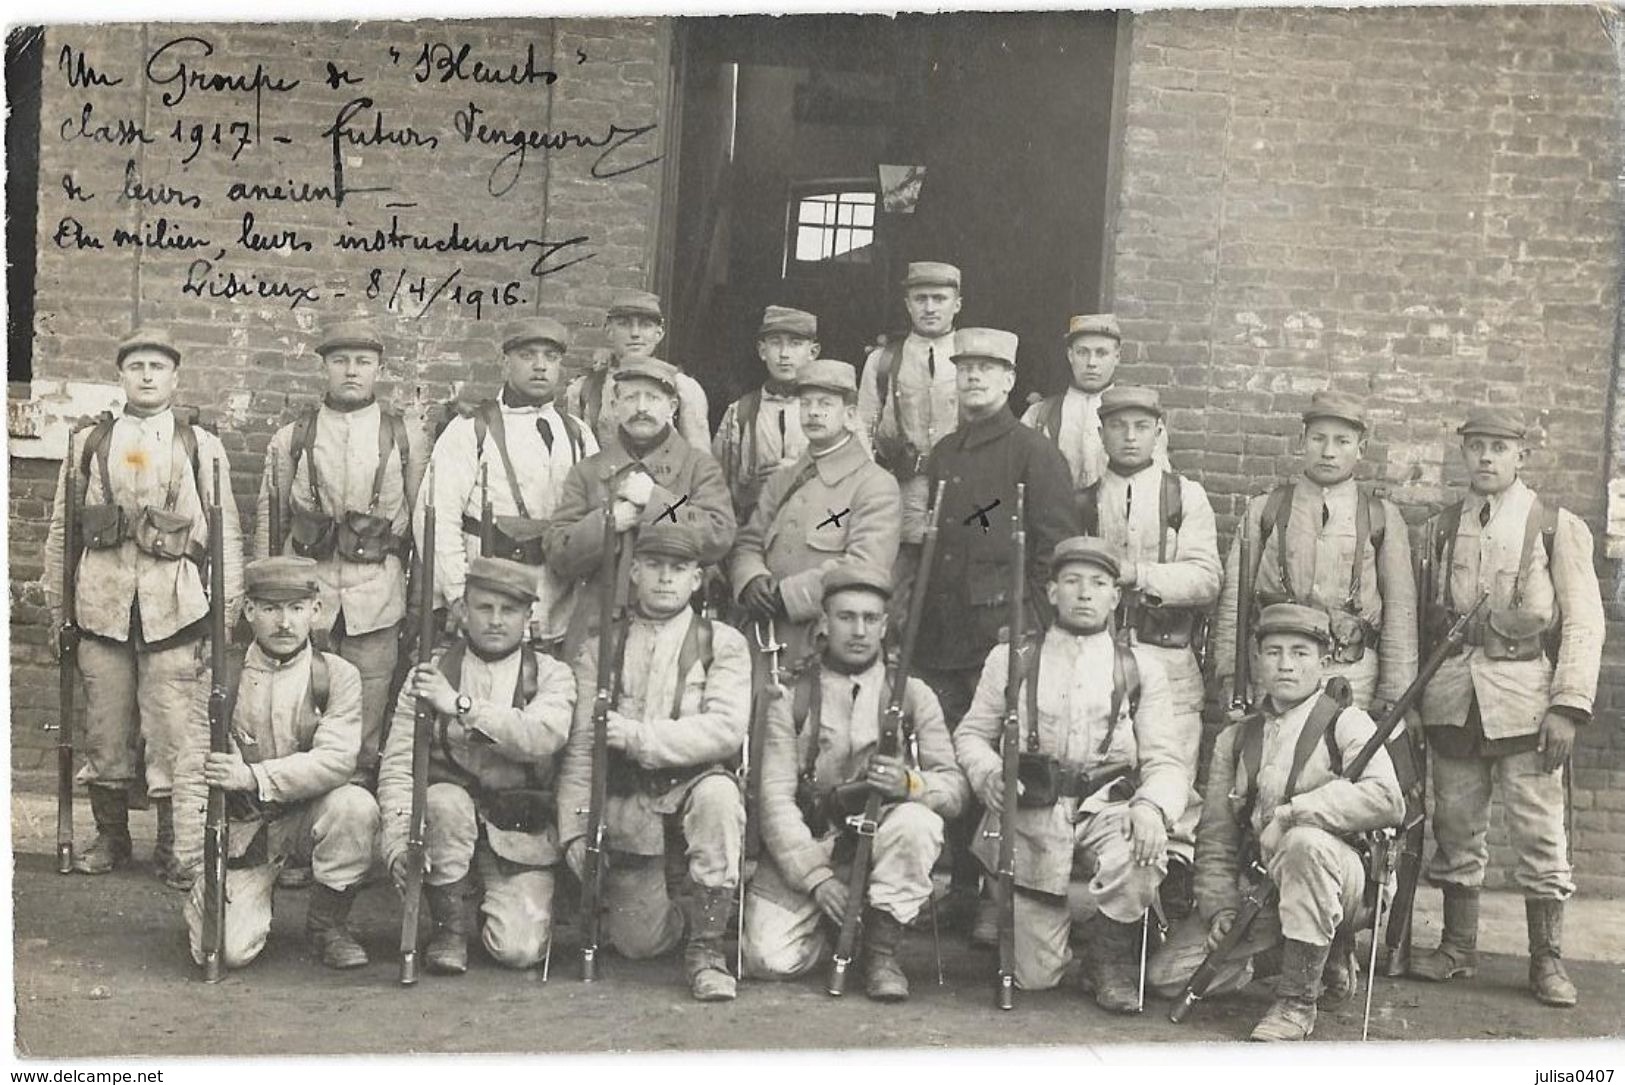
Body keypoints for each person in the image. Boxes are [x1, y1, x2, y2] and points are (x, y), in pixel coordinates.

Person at [1408, 409, 1604, 1008]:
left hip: (1526, 700)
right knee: (1455, 826)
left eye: (1499, 448)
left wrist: (1568, 706)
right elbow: (1419, 624)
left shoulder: (1553, 526)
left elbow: (1584, 622)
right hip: (1454, 699)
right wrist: (1415, 701)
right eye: (1475, 448)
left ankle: (1546, 961)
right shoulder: (1440, 529)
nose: (1486, 458)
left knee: (1539, 834)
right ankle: (1457, 948)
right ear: (1462, 455)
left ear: (1522, 456)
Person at [42, 326, 245, 888]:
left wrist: (223, 619)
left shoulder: (201, 447)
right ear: (121, 376)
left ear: (175, 378)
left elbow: (225, 538)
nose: (148, 375)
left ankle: (172, 844)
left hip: (174, 611)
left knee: (172, 732)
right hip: (101, 608)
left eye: (158, 366)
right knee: (105, 729)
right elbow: (64, 531)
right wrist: (59, 608)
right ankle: (110, 837)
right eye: (137, 367)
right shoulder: (89, 444)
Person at [1146, 603, 1405, 1041]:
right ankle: (1314, 955)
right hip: (1267, 888)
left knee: (1305, 842)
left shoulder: (1346, 723)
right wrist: (1221, 909)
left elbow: (1387, 799)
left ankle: (1297, 1001)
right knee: (1170, 977)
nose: (1286, 664)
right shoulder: (1237, 738)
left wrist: (1292, 813)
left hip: (1346, 882)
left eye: (1300, 653)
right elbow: (1215, 839)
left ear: (1322, 662)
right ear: (1258, 660)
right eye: (1274, 652)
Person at [953, 537, 1187, 1008]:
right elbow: (971, 734)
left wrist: (1151, 807)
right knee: (1036, 978)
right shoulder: (1012, 659)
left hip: (1109, 808)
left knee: (1141, 852)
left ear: (1115, 597)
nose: (1085, 593)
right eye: (1073, 582)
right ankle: (1072, 927)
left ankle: (1110, 959)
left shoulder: (1140, 667)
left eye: (1099, 583)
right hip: (1035, 815)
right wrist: (989, 772)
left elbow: (1165, 760)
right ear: (1052, 591)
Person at [910, 327, 1081, 924]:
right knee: (950, 760)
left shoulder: (1034, 453)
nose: (974, 378)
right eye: (966, 369)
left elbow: (1056, 551)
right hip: (940, 638)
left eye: (987, 369)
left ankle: (995, 897)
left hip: (1000, 638)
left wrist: (1029, 627)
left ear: (1010, 380)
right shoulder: (944, 454)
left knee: (999, 762)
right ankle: (958, 892)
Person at [743, 563, 966, 1000]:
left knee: (918, 824)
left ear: (885, 626)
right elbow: (774, 799)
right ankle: (834, 926)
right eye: (846, 617)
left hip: (881, 847)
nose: (859, 630)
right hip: (812, 847)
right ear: (824, 622)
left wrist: (910, 785)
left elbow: (955, 789)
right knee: (767, 960)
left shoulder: (914, 695)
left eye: (870, 619)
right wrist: (817, 879)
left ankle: (881, 951)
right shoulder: (790, 696)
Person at [557, 523, 751, 1001]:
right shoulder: (600, 647)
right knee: (639, 943)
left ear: (697, 579)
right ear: (635, 572)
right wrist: (575, 830)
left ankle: (707, 952)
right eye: (656, 567)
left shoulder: (722, 642)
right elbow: (583, 746)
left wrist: (639, 736)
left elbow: (725, 729)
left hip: (693, 782)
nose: (666, 578)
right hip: (630, 797)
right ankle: (685, 910)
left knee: (720, 797)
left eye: (679, 568)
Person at [171, 557, 377, 970]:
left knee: (354, 806)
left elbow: (336, 761)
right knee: (228, 950)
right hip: (243, 832)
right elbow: (194, 769)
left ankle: (326, 926)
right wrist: (196, 861)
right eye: (270, 608)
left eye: (296, 608)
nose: (284, 622)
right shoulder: (221, 678)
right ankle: (230, 903)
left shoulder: (337, 677)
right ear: (249, 611)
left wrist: (252, 776)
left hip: (306, 819)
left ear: (316, 611)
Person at [376, 558, 577, 975]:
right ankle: (449, 928)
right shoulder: (430, 673)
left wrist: (461, 705)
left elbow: (541, 737)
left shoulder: (551, 674)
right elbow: (398, 764)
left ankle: (505, 901)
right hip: (448, 826)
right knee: (444, 798)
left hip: (518, 832)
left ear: (528, 616)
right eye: (484, 608)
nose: (497, 621)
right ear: (463, 612)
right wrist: (397, 839)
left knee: (518, 952)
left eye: (510, 611)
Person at [256, 318, 427, 790]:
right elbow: (271, 523)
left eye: (363, 362)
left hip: (376, 599)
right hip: (306, 600)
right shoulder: (292, 437)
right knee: (296, 713)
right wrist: (263, 596)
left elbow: (423, 526)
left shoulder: (406, 438)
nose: (352, 371)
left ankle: (353, 822)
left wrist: (419, 602)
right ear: (325, 368)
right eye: (340, 361)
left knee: (366, 725)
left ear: (378, 369)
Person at [1082, 385, 1221, 904]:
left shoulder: (1186, 496)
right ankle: (1115, 899)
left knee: (1174, 778)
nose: (1130, 436)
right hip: (1100, 657)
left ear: (1159, 432)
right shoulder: (1085, 499)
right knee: (1101, 773)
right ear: (1102, 435)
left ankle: (1175, 897)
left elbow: (1206, 579)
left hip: (1166, 653)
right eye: (1118, 426)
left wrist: (1137, 574)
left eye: (1141, 426)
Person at [1211, 390, 1418, 714]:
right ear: (1302, 441)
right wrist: (1230, 675)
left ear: (1361, 449)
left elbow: (1401, 611)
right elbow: (1234, 603)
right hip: (1277, 667)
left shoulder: (1381, 517)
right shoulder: (1266, 510)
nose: (1329, 452)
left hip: (1350, 673)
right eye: (1318, 439)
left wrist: (1394, 692)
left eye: (1343, 441)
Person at [421, 317, 598, 655]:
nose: (540, 366)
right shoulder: (471, 430)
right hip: (490, 600)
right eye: (528, 355)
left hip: (557, 600)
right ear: (506, 361)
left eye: (550, 356)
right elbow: (437, 520)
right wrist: (460, 596)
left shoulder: (578, 434)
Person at [545, 358, 735, 662]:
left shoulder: (699, 468)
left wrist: (656, 503)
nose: (641, 407)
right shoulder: (589, 471)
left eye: (653, 398)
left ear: (672, 406)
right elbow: (558, 552)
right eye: (631, 397)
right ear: (615, 404)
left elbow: (718, 535)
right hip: (598, 630)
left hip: (674, 630)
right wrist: (608, 523)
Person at [728, 359, 901, 671]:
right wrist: (750, 579)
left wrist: (788, 596)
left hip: (826, 644)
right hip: (764, 638)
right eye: (805, 403)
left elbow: (865, 565)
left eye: (825, 404)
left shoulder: (875, 484)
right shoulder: (783, 479)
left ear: (849, 415)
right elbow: (749, 540)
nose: (813, 412)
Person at [857, 262, 963, 550]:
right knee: (900, 577)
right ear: (908, 304)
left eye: (939, 299)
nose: (929, 308)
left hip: (961, 490)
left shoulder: (972, 358)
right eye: (921, 299)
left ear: (957, 304)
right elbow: (862, 426)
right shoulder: (883, 360)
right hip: (900, 490)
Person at [1020, 314, 1168, 493]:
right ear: (1070, 355)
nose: (1091, 363)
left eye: (1101, 353)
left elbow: (1157, 486)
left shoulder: (1141, 419)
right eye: (1082, 352)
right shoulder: (1038, 414)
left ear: (1117, 356)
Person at [713, 305, 821, 524]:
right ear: (762, 351)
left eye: (795, 343)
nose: (784, 354)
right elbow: (716, 487)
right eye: (775, 343)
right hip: (753, 535)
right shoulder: (739, 413)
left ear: (813, 352)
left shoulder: (830, 411)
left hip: (814, 534)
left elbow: (858, 480)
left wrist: (802, 471)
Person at [564, 289, 711, 449]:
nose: (635, 333)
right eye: (624, 324)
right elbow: (574, 458)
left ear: (659, 333)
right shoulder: (584, 389)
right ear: (609, 331)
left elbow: (699, 462)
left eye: (645, 325)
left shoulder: (684, 389)